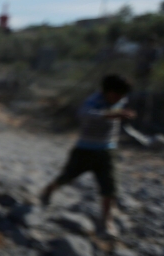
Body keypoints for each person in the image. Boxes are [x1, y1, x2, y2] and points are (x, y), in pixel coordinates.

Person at [40, 74, 136, 237]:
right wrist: (110, 115)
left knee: (110, 187)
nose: (119, 98)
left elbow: (118, 111)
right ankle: (49, 189)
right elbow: (85, 114)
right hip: (85, 149)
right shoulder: (93, 101)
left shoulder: (120, 100)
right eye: (116, 94)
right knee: (66, 177)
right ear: (107, 91)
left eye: (122, 95)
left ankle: (107, 221)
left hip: (107, 150)